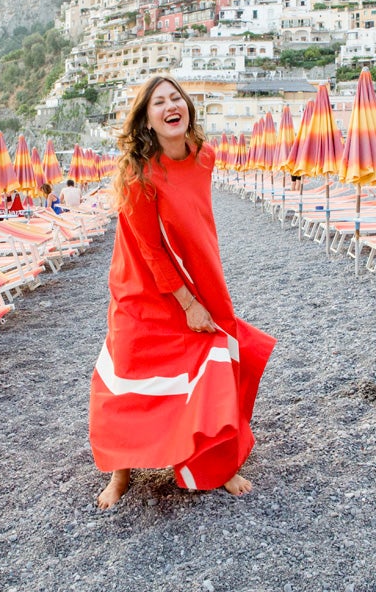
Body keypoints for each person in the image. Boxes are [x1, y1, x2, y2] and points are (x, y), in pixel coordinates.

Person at [89, 75, 276, 509]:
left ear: (187, 108)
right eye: (159, 102)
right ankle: (121, 474)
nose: (170, 106)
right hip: (139, 285)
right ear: (147, 120)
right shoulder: (137, 174)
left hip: (196, 274)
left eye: (176, 98)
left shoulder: (204, 157)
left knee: (211, 359)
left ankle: (218, 465)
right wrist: (187, 304)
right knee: (130, 374)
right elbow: (150, 250)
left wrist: (201, 288)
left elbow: (194, 221)